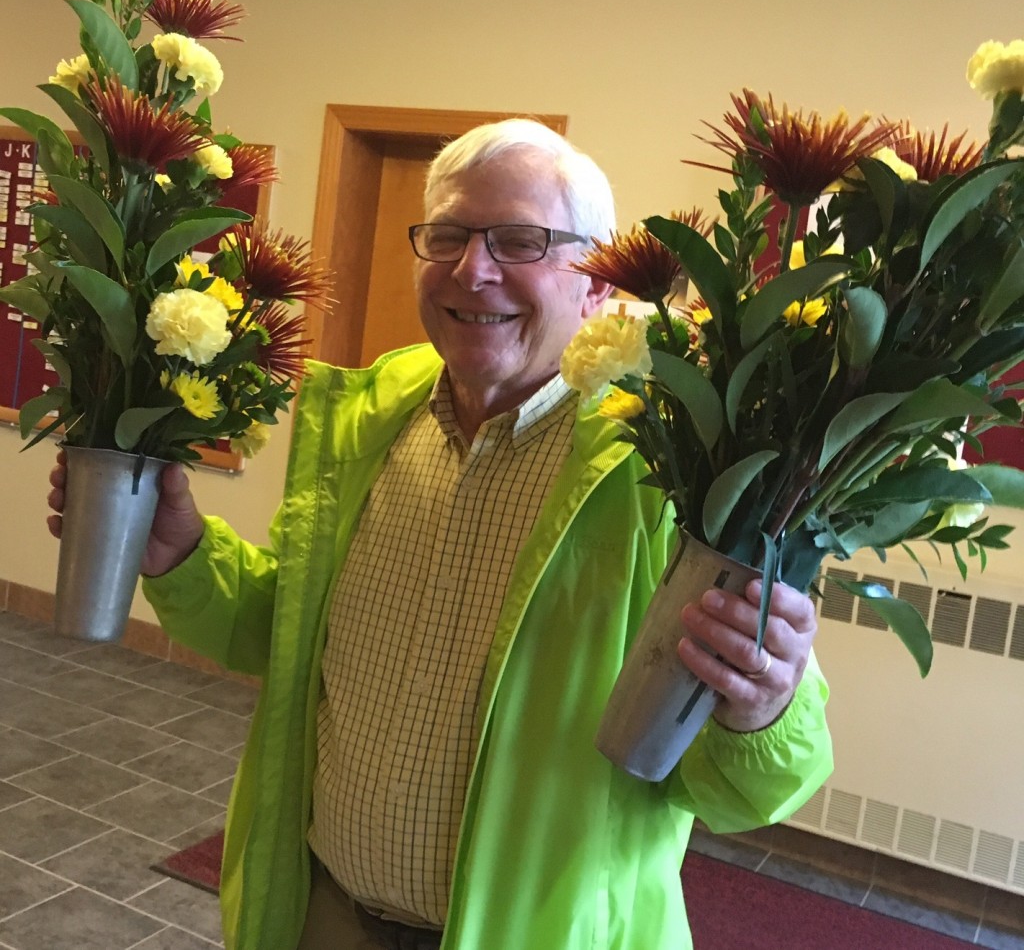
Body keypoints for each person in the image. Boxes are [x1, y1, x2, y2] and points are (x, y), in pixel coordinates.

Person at [47, 119, 832, 950]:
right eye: (449, 235)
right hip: (327, 915)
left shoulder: (672, 468)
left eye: (520, 240)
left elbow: (740, 794)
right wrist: (183, 553)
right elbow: (282, 630)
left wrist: (766, 706)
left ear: (599, 283)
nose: (473, 268)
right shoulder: (371, 415)